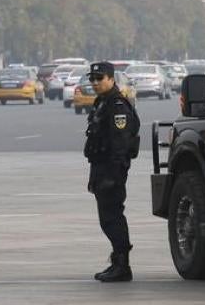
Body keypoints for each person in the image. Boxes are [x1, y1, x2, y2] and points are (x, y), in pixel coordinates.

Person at [84, 61, 140, 282]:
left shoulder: (117, 106)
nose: (95, 83)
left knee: (112, 217)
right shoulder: (102, 103)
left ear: (111, 79)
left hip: (112, 170)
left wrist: (113, 176)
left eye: (100, 78)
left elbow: (120, 144)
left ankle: (122, 265)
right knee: (107, 217)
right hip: (101, 168)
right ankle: (117, 261)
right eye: (92, 79)